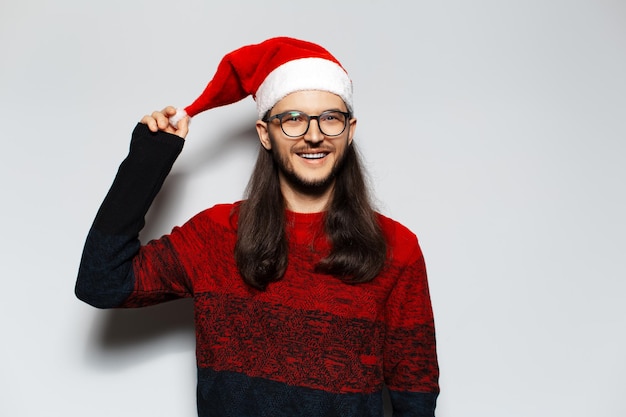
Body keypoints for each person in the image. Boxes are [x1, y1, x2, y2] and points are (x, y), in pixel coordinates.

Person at [76, 37, 439, 417]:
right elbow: (101, 282)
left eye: (329, 117)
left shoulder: (397, 247)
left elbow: (414, 390)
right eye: (293, 119)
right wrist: (147, 161)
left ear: (349, 130)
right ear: (266, 133)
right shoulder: (215, 234)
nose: (313, 134)